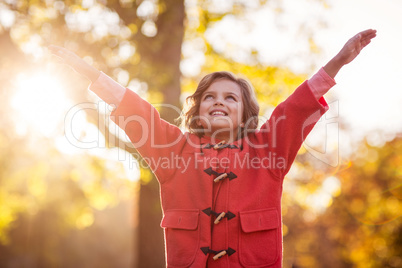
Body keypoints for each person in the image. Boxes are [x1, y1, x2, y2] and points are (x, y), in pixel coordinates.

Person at [49, 29, 376, 267]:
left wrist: (338, 62)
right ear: (198, 110)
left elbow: (294, 109)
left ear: (245, 113)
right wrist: (89, 72)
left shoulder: (267, 151)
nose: (219, 101)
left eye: (230, 97)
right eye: (210, 96)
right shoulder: (173, 151)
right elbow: (138, 112)